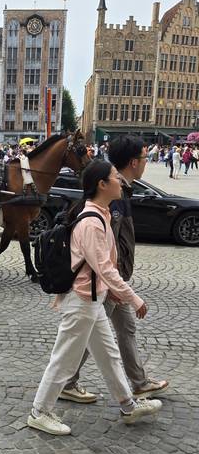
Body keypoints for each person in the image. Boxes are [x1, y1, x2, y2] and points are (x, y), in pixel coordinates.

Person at [27, 159, 162, 436]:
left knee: (109, 355)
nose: (121, 182)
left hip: (92, 299)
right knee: (64, 358)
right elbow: (105, 269)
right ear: (102, 184)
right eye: (115, 177)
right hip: (81, 301)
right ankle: (39, 412)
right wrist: (133, 298)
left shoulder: (102, 214)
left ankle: (127, 404)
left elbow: (103, 270)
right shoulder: (92, 221)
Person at [61, 135, 168, 404]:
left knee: (125, 329)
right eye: (144, 158)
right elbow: (108, 247)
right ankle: (68, 382)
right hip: (108, 281)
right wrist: (118, 285)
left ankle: (139, 383)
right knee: (93, 335)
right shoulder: (113, 193)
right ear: (134, 162)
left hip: (114, 280)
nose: (146, 162)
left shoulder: (120, 189)